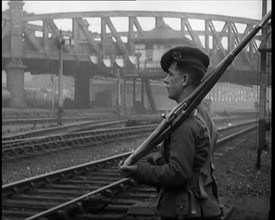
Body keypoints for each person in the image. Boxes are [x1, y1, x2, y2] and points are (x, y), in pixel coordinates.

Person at [119, 46, 222, 220]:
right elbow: (195, 164)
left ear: (185, 80)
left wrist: (138, 171)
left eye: (171, 75)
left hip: (186, 210)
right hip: (203, 206)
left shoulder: (184, 122)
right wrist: (160, 160)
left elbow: (178, 174)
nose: (165, 80)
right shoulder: (202, 114)